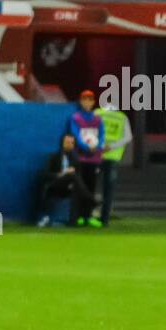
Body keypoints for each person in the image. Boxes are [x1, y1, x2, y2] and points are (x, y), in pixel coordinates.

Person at [37, 133, 96, 226]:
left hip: (68, 186)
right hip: (55, 184)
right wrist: (60, 174)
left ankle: (73, 221)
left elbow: (79, 176)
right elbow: (44, 174)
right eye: (67, 142)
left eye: (71, 143)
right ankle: (91, 200)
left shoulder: (75, 159)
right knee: (72, 176)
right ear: (62, 143)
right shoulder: (54, 157)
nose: (69, 145)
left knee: (75, 183)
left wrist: (72, 178)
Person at [67, 90, 104, 227]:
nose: (87, 102)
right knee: (79, 187)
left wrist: (97, 146)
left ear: (93, 102)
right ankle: (79, 216)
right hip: (80, 158)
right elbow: (75, 134)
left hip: (94, 159)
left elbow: (102, 135)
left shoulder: (97, 119)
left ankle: (88, 216)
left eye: (89, 100)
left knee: (91, 186)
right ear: (80, 101)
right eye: (84, 99)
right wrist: (87, 147)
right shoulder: (75, 118)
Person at [97, 102, 133, 226]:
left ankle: (85, 215)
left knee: (88, 186)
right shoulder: (122, 117)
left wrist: (99, 146)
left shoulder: (97, 114)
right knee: (108, 190)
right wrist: (111, 146)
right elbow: (128, 137)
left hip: (94, 155)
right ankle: (104, 219)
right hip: (112, 157)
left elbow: (89, 131)